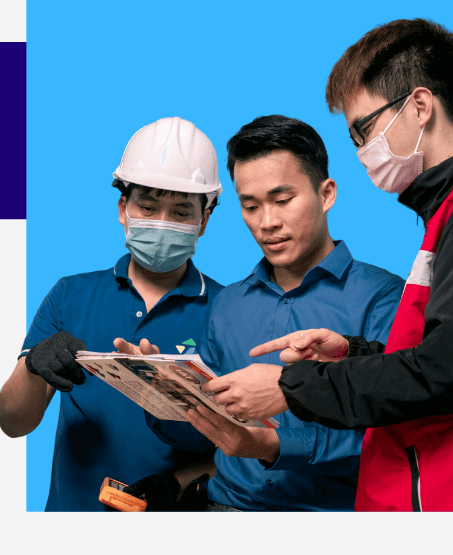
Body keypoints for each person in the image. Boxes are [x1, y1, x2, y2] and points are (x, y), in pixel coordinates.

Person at [214, 19, 453, 511]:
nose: (363, 153)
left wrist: (289, 386)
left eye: (364, 129)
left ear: (420, 106)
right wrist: (355, 351)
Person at [132, 115, 404, 512]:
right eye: (251, 205)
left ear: (326, 194)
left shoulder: (383, 298)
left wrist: (272, 446)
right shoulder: (229, 304)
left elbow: (392, 438)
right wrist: (159, 393)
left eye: (282, 200)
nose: (267, 222)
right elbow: (207, 435)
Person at [0, 117, 224, 511]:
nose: (161, 224)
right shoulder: (71, 295)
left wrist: (178, 482)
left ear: (203, 221)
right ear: (124, 207)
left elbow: (248, 446)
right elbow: (13, 423)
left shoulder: (229, 309)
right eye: (148, 207)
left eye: (181, 213)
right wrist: (35, 366)